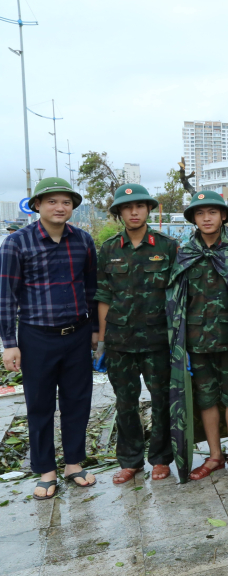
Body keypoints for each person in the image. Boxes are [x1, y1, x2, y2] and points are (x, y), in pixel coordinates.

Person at [0, 177, 99, 499]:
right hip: (36, 337)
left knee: (77, 402)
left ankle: (73, 463)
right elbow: (6, 297)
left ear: (72, 208)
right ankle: (46, 470)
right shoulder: (18, 243)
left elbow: (91, 288)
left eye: (66, 202)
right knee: (39, 404)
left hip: (76, 334)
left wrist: (95, 330)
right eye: (52, 201)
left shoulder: (82, 240)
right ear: (37, 206)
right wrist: (9, 343)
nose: (60, 207)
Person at [168, 191, 228, 482]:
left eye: (212, 212)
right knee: (206, 399)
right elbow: (175, 297)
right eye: (200, 213)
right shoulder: (185, 251)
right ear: (194, 219)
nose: (206, 218)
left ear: (223, 216)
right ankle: (214, 455)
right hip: (196, 341)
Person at [94, 184, 179, 484]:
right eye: (127, 207)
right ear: (118, 212)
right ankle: (130, 461)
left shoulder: (168, 247)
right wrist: (102, 343)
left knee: (161, 401)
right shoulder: (108, 249)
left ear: (148, 210)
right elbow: (103, 297)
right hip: (120, 341)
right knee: (125, 403)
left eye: (140, 206)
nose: (134, 211)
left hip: (157, 342)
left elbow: (177, 295)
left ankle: (160, 458)